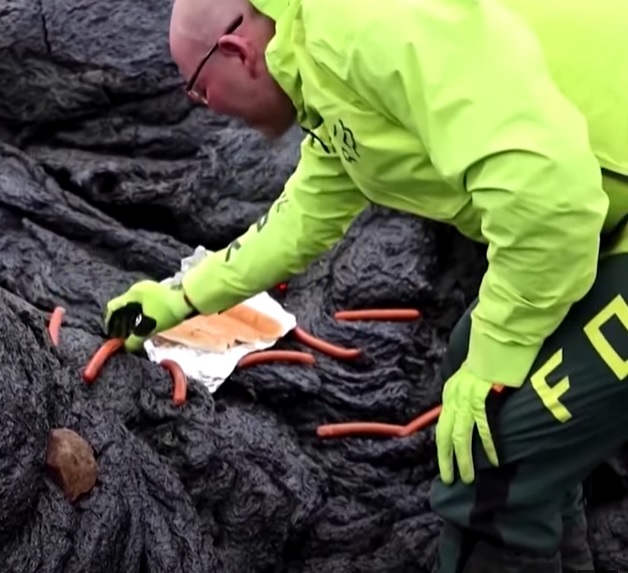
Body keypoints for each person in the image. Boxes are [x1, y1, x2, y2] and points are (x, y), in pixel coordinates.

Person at [103, 0, 628, 570]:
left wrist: (496, 353)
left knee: (495, 444)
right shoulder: (322, 64)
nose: (208, 108)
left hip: (579, 212)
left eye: (200, 90)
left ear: (235, 51)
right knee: (484, 385)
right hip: (596, 219)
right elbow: (305, 213)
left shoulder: (365, 26)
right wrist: (180, 298)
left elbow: (549, 195)